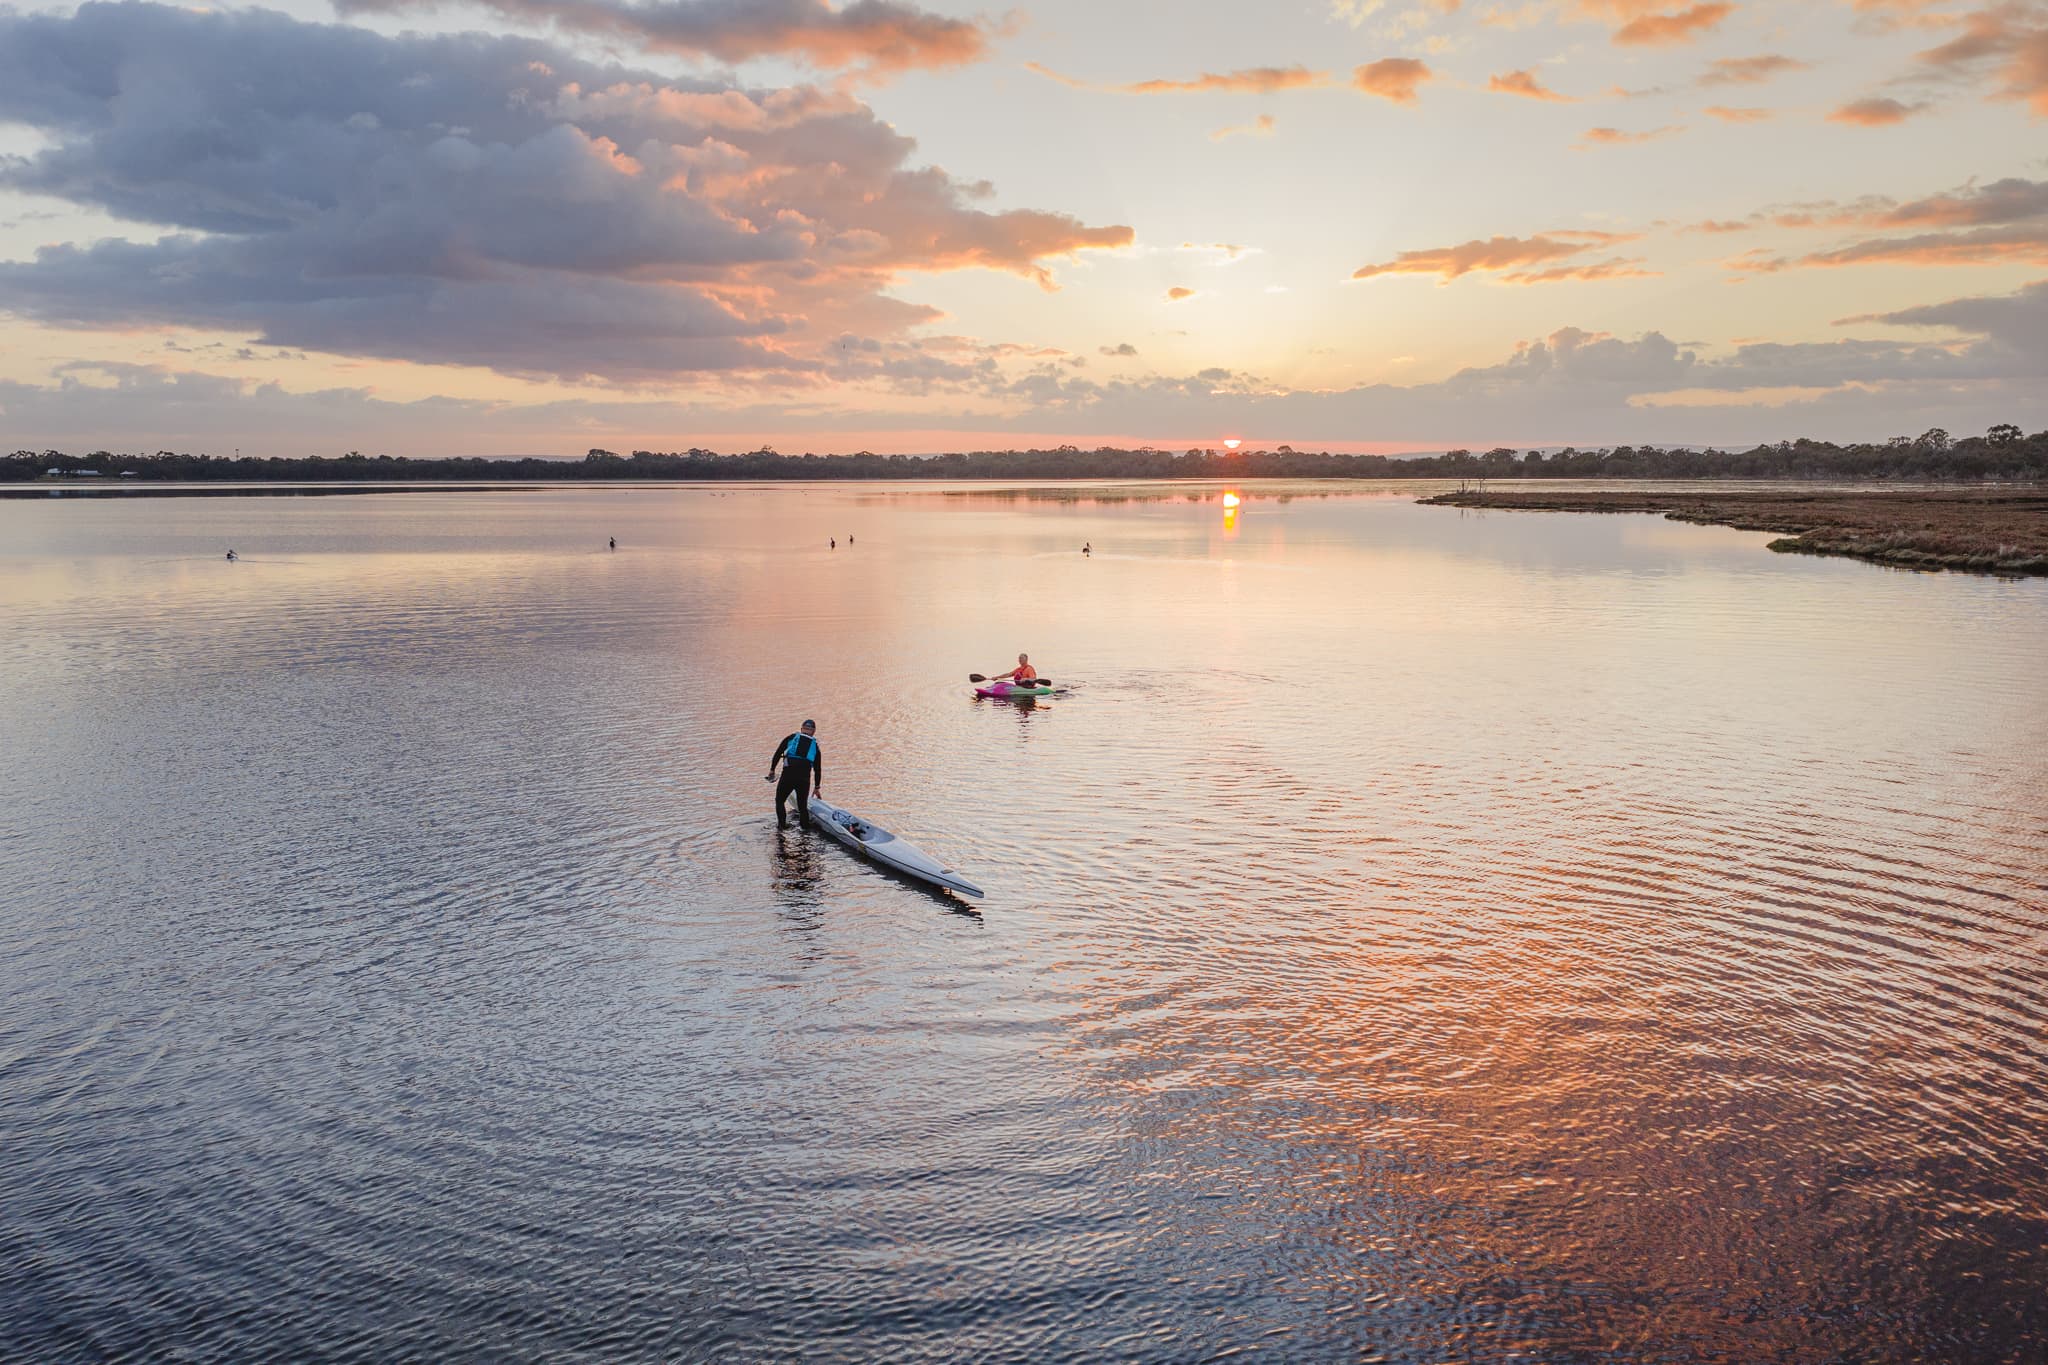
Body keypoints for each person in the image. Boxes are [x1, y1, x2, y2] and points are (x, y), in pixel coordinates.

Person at [765, 719, 823, 830]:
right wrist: (817, 787)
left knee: (780, 801)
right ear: (813, 731)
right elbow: (817, 769)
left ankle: (782, 826)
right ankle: (805, 831)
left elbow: (778, 753)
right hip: (804, 779)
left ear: (801, 729)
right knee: (802, 807)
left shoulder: (792, 738)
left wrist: (772, 770)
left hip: (788, 776)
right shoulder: (815, 746)